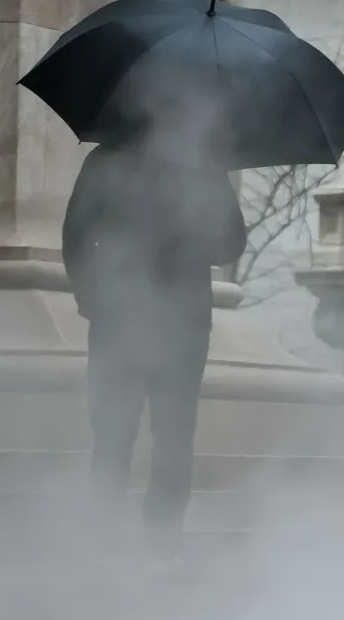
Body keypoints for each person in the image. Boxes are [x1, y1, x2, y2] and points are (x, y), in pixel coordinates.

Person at [62, 139, 247, 558]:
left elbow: (75, 236)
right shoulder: (205, 162)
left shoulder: (106, 159)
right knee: (168, 436)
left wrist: (90, 297)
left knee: (121, 435)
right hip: (165, 321)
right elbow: (231, 245)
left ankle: (113, 541)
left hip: (131, 319)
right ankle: (157, 543)